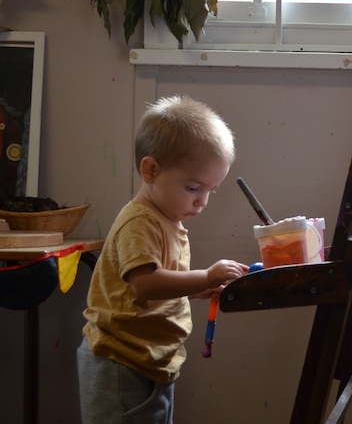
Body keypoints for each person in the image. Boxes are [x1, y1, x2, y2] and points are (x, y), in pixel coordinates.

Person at [77, 95, 248, 423]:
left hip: (151, 361)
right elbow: (144, 284)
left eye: (211, 190)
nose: (203, 202)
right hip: (120, 361)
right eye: (194, 188)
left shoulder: (170, 222)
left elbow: (162, 286)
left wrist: (200, 290)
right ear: (151, 170)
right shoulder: (140, 223)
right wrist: (206, 276)